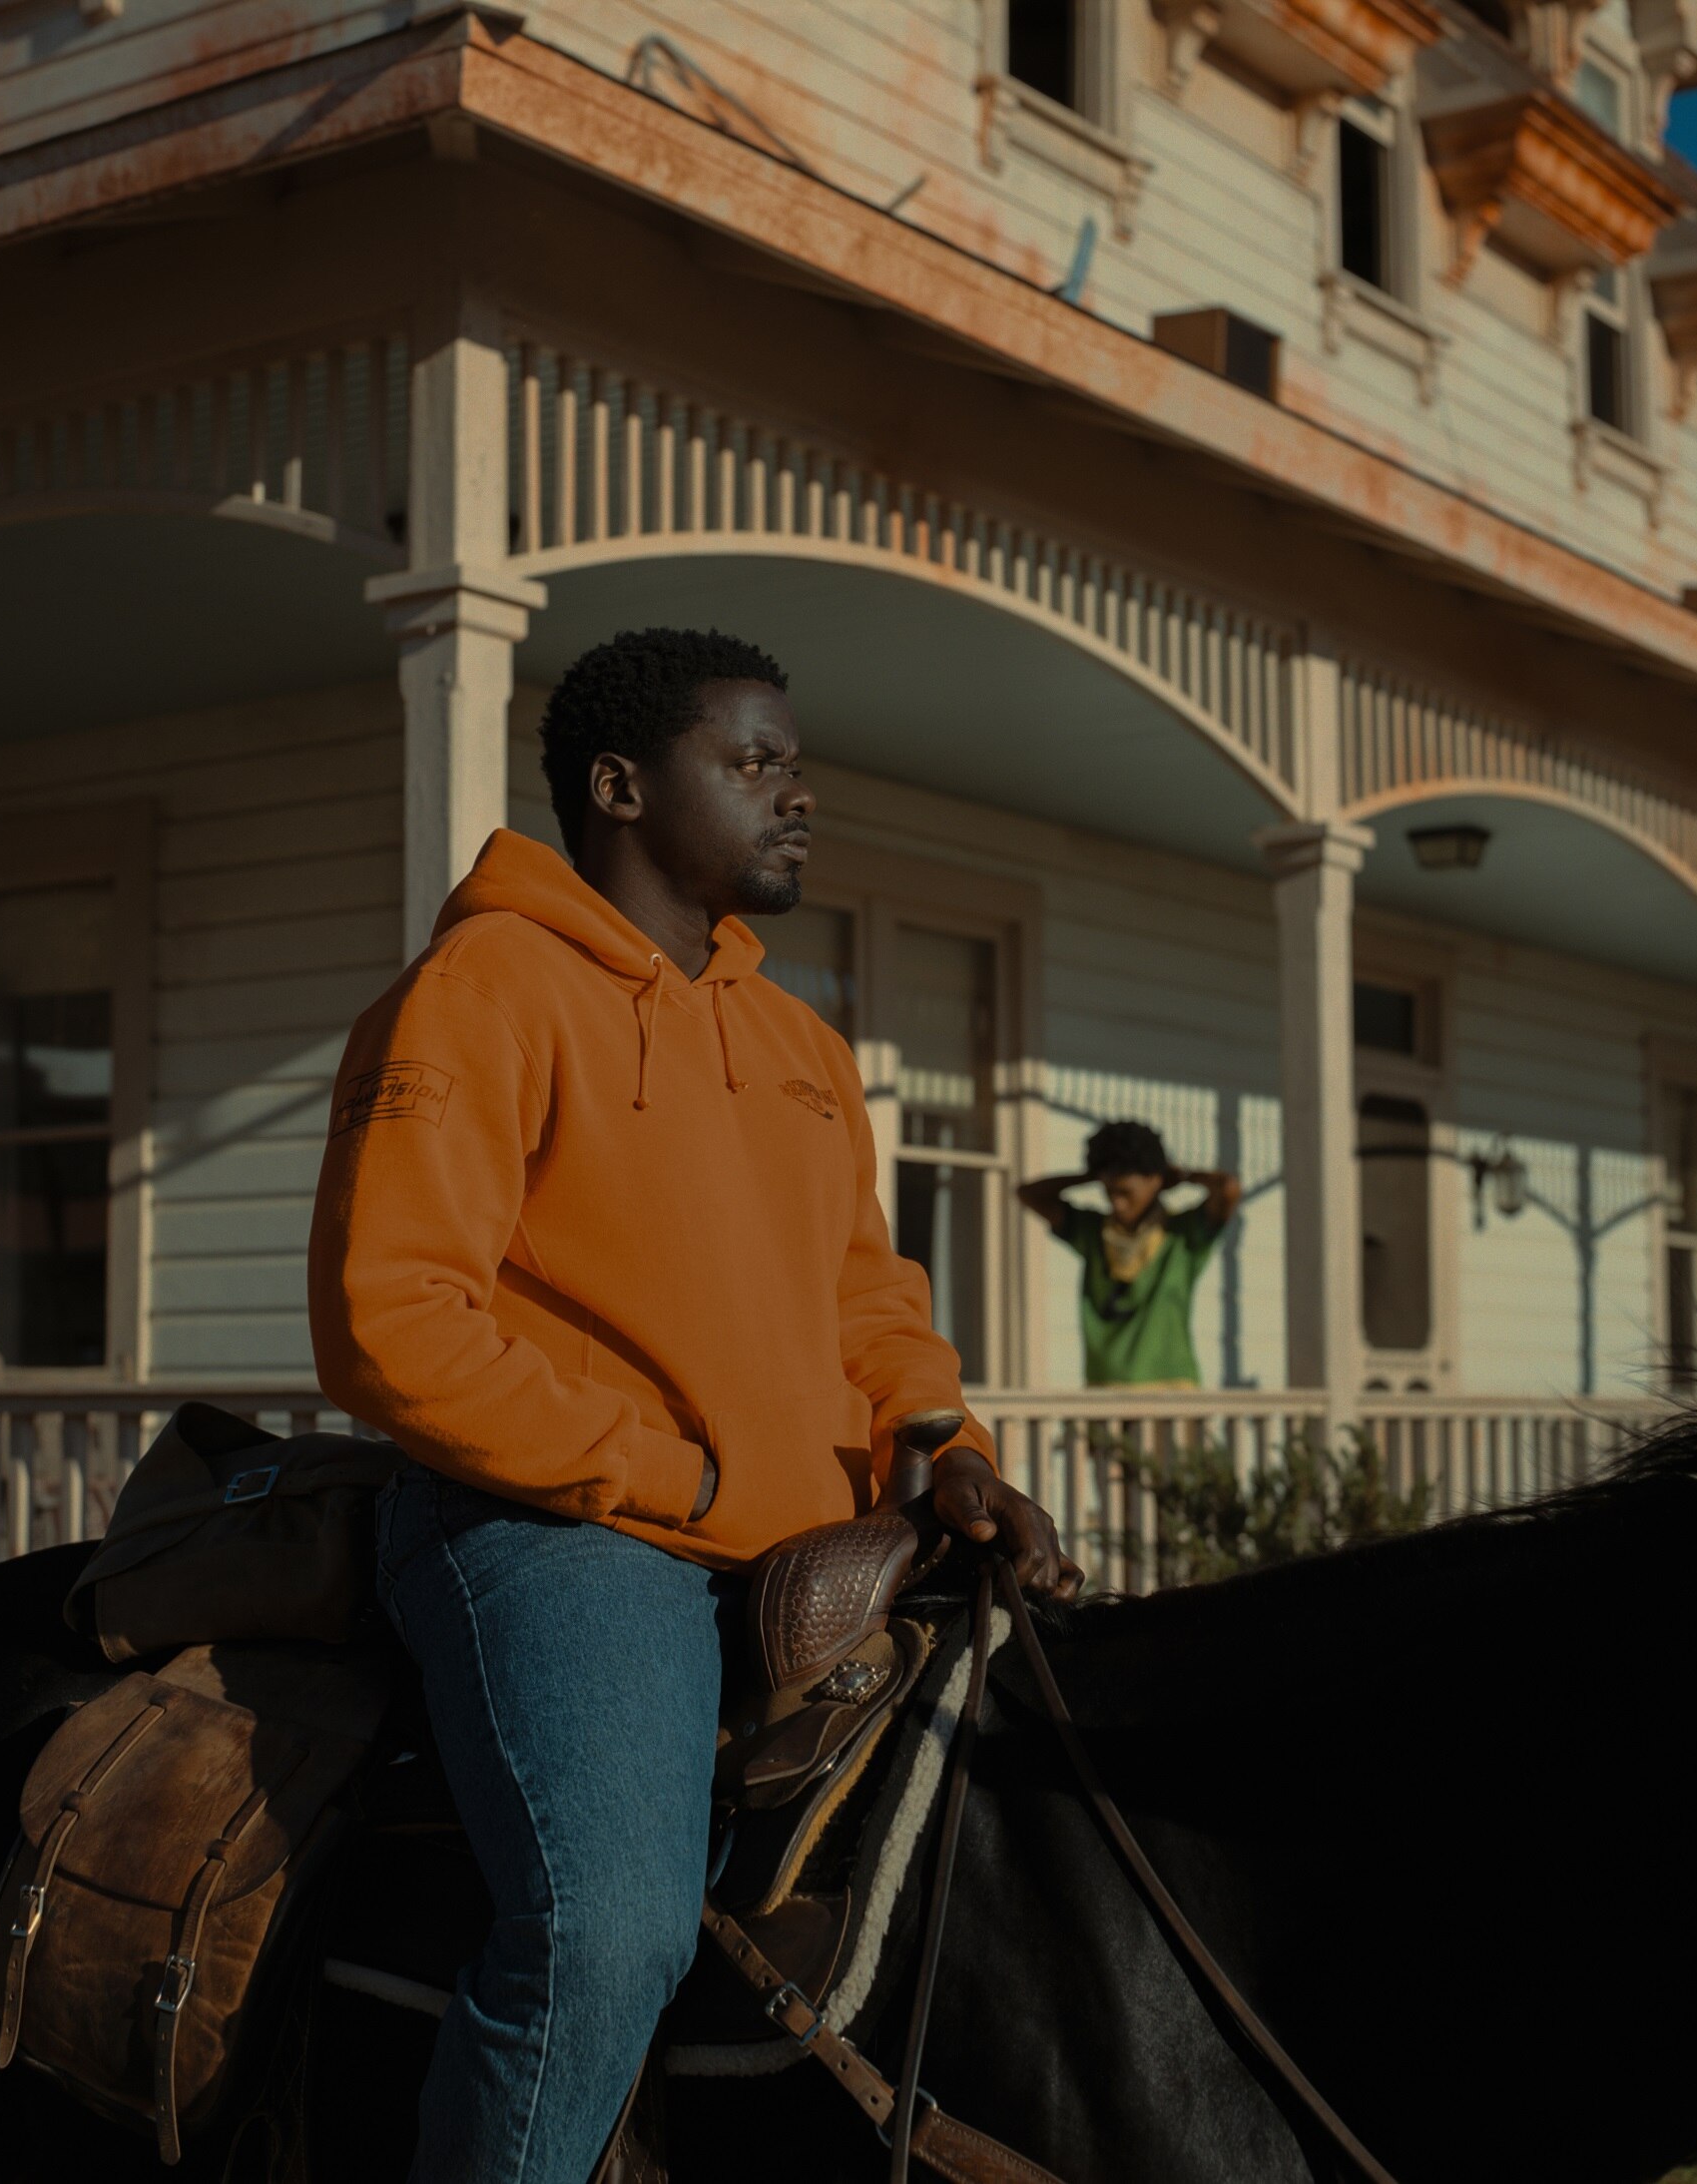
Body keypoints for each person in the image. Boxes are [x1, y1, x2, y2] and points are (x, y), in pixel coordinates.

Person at [308, 626, 1081, 2184]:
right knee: (609, 1936)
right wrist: (676, 1472)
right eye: (751, 765)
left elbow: (865, 1302)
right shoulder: (483, 990)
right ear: (618, 786)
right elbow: (388, 1324)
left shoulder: (797, 1043)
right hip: (560, 1538)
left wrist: (945, 1452)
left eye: (793, 765)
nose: (796, 797)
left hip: (813, 1542)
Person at [1018, 1120, 1245, 1390]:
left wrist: (1182, 1175)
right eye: (1109, 1191)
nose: (1116, 1202)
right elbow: (1028, 1193)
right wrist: (1092, 1174)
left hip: (1170, 1389)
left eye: (1126, 1192)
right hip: (1105, 1389)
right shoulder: (1093, 1232)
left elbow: (1228, 1188)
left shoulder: (1182, 1235)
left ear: (1156, 1181)